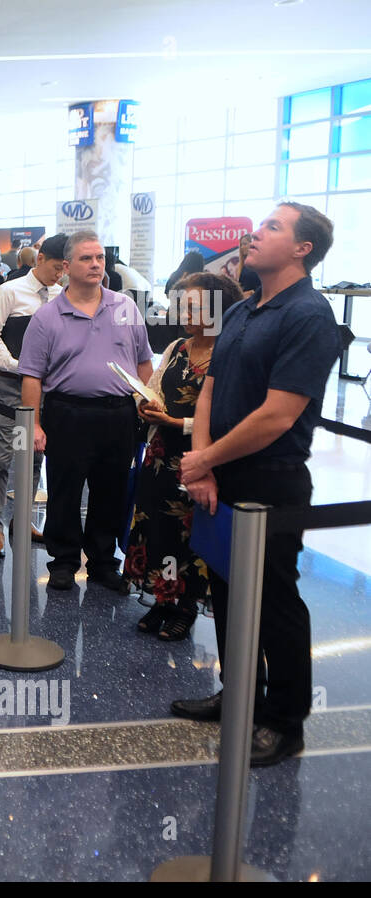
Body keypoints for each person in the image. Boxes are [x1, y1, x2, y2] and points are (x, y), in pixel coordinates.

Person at [175, 202, 341, 767]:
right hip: (218, 470)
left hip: (271, 479)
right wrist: (203, 461)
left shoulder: (309, 315)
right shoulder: (245, 311)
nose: (255, 234)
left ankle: (284, 720)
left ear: (303, 249)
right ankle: (241, 692)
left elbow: (279, 414)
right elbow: (209, 390)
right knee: (225, 589)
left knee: (274, 601)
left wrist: (205, 462)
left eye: (273, 227)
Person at [18, 230, 154, 592]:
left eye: (99, 258)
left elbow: (144, 361)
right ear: (65, 267)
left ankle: (103, 564)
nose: (96, 264)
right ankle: (63, 562)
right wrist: (33, 425)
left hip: (118, 414)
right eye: (86, 258)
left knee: (110, 491)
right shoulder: (47, 317)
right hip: (68, 413)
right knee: (64, 490)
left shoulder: (125, 307)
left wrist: (145, 401)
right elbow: (32, 376)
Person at [124, 272, 243, 640]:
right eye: (183, 306)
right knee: (157, 529)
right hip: (159, 457)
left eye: (192, 306)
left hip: (196, 458)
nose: (184, 313)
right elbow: (156, 385)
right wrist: (146, 403)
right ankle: (163, 598)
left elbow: (226, 417)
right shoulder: (178, 346)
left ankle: (186, 606)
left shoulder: (229, 352)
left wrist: (177, 422)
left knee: (187, 535)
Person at [0, 234, 67, 558]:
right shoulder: (10, 291)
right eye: (56, 267)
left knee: (33, 458)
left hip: (46, 389)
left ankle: (23, 520)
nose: (59, 275)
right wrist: (20, 367)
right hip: (12, 386)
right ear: (40, 259)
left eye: (64, 269)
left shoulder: (62, 296)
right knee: (2, 458)